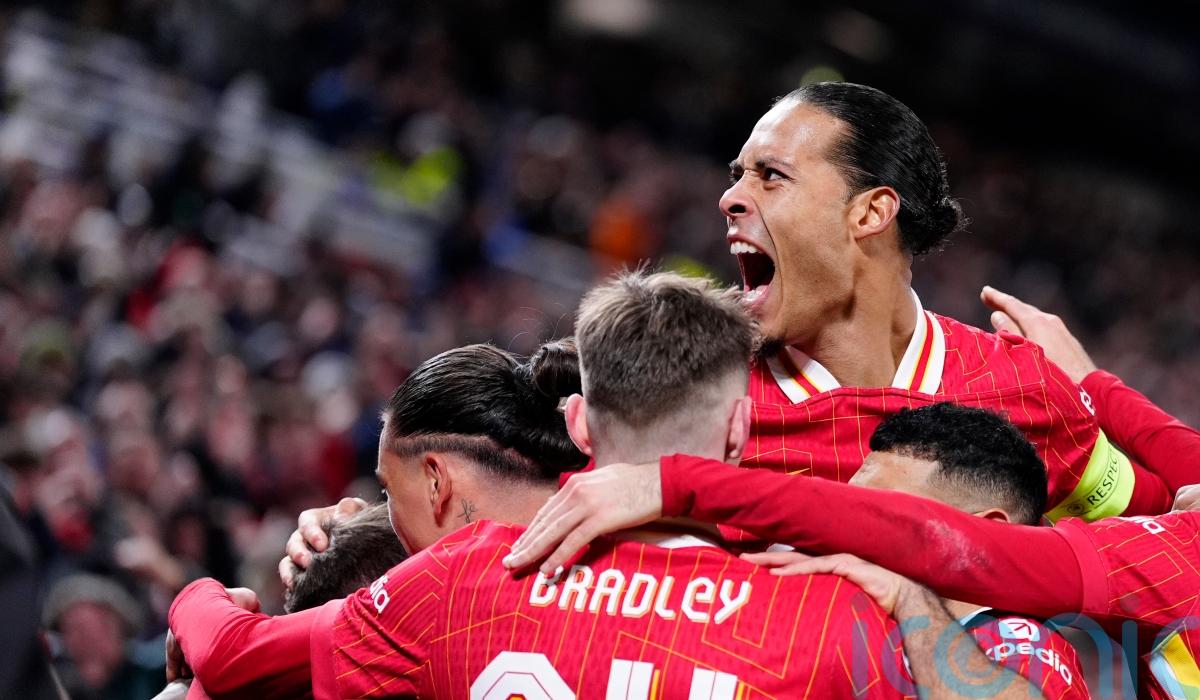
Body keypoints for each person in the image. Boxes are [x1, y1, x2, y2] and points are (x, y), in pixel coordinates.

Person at [168, 271, 1052, 698]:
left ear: (581, 424)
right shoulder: (832, 615)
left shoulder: (462, 576)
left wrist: (200, 596)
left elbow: (230, 655)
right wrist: (907, 598)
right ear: (740, 431)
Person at [505, 287, 1200, 699]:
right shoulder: (1178, 549)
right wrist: (1094, 384)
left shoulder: (1026, 636)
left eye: (876, 512)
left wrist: (676, 480)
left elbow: (926, 540)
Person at [716, 81, 1174, 520]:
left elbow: (1166, 525)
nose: (729, 198)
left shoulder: (1023, 388)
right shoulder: (705, 393)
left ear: (871, 212)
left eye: (771, 176)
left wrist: (1096, 387)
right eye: (738, 176)